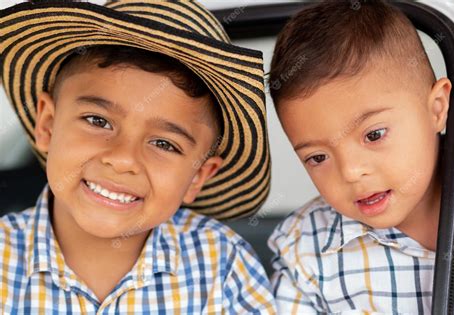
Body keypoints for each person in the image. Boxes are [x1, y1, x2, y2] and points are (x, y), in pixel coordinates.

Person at [0, 1, 275, 313]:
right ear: (47, 125)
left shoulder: (223, 264)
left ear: (198, 175)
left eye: (164, 143)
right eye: (98, 121)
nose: (123, 160)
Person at [267, 0, 451, 313]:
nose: (351, 172)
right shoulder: (305, 247)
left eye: (374, 135)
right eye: (318, 157)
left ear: (436, 109)